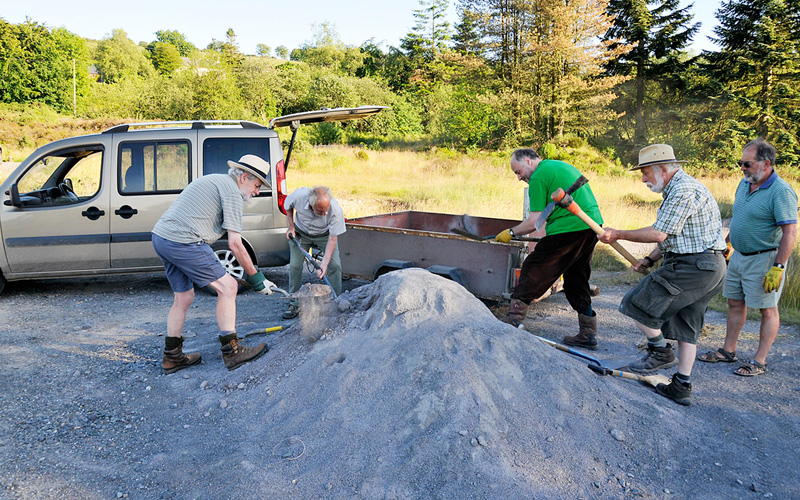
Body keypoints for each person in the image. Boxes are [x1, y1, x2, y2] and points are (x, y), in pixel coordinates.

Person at [599, 144, 727, 406]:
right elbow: (673, 236)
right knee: (685, 327)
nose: (643, 179)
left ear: (663, 169)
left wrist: (618, 234)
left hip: (694, 265)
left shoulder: (682, 190)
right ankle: (681, 386)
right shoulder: (682, 188)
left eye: (645, 172)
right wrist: (649, 259)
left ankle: (659, 352)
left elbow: (659, 233)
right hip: (709, 266)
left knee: (634, 303)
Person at [152, 154, 276, 373]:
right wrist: (257, 279)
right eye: (256, 185)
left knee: (184, 297)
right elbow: (236, 244)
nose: (257, 192)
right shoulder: (232, 193)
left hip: (162, 238)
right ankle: (233, 352)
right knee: (229, 287)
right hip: (184, 239)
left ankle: (172, 357)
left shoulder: (215, 180)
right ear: (243, 177)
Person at [697, 139, 797, 376]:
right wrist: (729, 242)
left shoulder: (781, 192)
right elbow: (741, 218)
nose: (742, 167)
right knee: (734, 302)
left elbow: (790, 232)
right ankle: (728, 351)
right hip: (739, 256)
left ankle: (759, 361)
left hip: (764, 259)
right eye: (740, 163)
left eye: (747, 164)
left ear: (766, 163)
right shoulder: (744, 184)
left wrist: (778, 267)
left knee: (767, 308)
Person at [496, 148, 604, 350]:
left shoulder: (538, 177)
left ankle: (512, 319)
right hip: (591, 226)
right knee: (576, 278)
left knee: (534, 268)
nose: (519, 178)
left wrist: (510, 233)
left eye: (518, 172)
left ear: (528, 161)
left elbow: (534, 221)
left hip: (569, 228)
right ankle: (588, 332)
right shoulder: (557, 165)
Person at [282, 186, 346, 319]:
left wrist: (324, 263)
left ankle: (335, 300)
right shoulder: (299, 196)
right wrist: (291, 227)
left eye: (326, 209)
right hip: (301, 233)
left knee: (335, 266)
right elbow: (287, 205)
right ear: (312, 204)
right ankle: (294, 303)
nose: (325, 213)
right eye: (320, 210)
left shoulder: (335, 210)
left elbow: (333, 238)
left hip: (324, 235)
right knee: (295, 266)